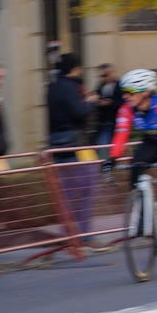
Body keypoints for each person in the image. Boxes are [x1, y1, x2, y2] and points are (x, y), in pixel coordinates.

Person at [102, 68, 157, 255]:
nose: (125, 96)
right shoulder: (126, 109)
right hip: (151, 141)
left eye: (130, 92)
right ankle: (144, 218)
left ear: (145, 92)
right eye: (124, 92)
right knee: (135, 170)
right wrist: (111, 159)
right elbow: (121, 135)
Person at [47, 53, 99, 237]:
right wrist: (90, 103)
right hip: (77, 143)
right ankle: (83, 235)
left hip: (57, 143)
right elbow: (79, 112)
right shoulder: (71, 87)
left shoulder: (52, 87)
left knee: (66, 192)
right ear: (75, 69)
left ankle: (68, 234)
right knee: (88, 186)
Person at [94, 64, 121, 146]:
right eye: (102, 76)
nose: (104, 78)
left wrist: (111, 103)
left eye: (106, 75)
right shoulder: (100, 86)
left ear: (112, 72)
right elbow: (97, 99)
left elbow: (124, 102)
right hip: (104, 122)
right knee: (103, 145)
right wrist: (98, 102)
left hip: (117, 121)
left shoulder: (120, 85)